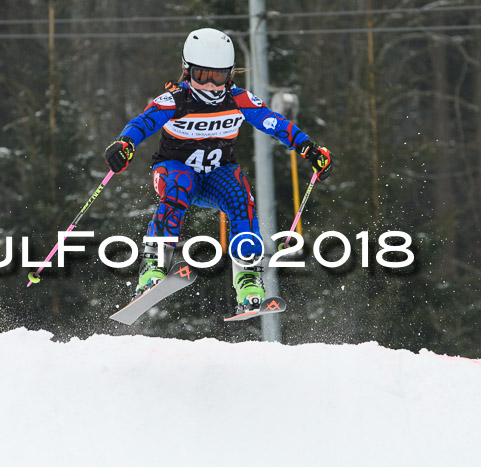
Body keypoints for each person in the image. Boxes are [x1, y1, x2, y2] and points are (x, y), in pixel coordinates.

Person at [104, 28, 333, 312]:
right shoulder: (175, 100)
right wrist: (125, 144)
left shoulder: (238, 100)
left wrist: (309, 148)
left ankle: (248, 278)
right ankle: (154, 264)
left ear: (230, 75)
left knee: (240, 197)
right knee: (180, 184)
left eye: (219, 77)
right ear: (187, 71)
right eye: (202, 76)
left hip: (216, 175)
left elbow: (274, 123)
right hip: (173, 171)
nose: (211, 86)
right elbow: (142, 123)